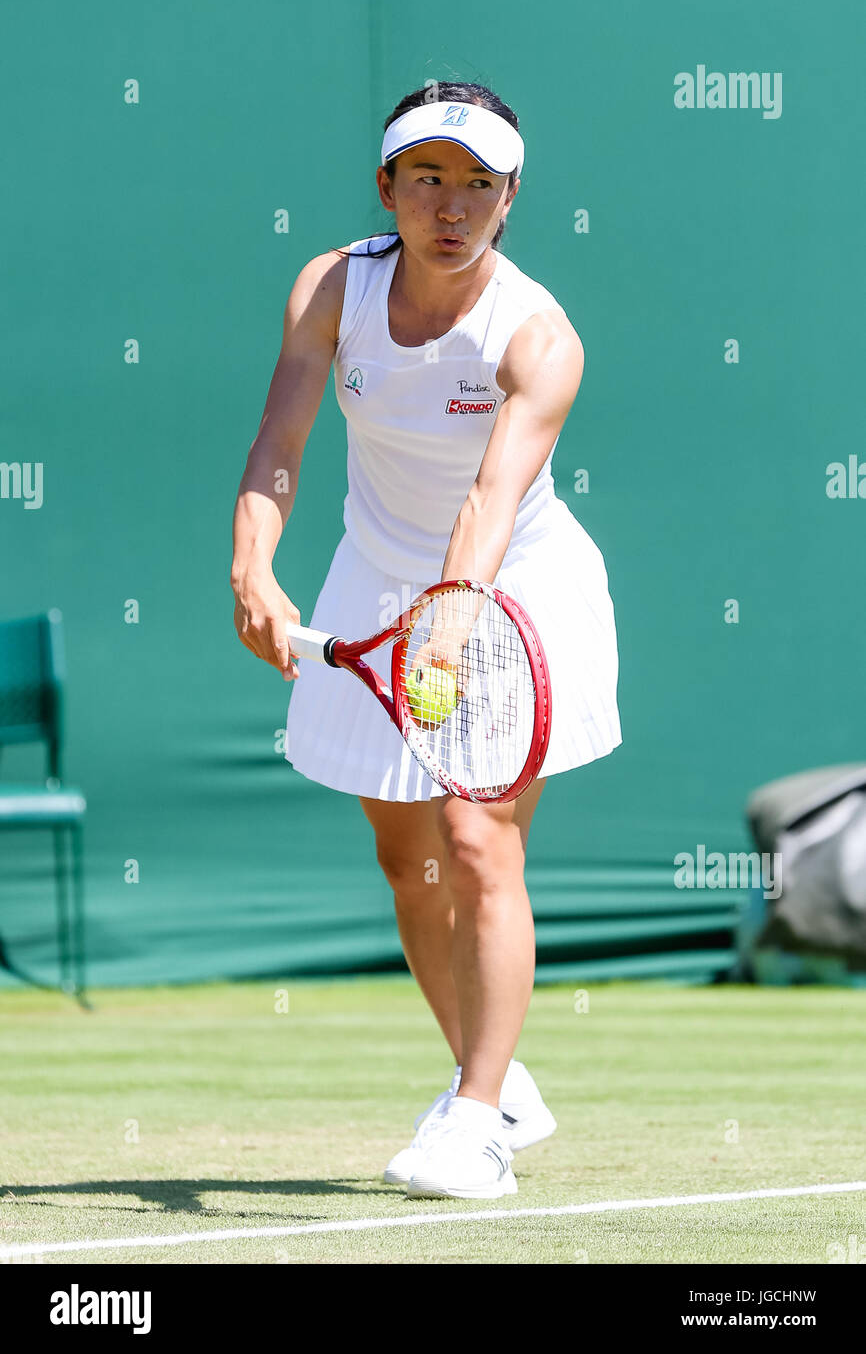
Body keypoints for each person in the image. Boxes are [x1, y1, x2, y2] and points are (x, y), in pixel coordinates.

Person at [231, 80, 622, 1200]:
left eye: (478, 185)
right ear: (386, 188)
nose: (451, 206)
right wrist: (252, 562)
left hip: (514, 590)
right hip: (374, 578)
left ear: (510, 201)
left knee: (478, 833)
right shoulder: (329, 288)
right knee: (408, 864)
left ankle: (472, 1126)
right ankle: (493, 1078)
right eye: (427, 178)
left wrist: (452, 622)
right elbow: (279, 436)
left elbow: (491, 503)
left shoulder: (538, 336)